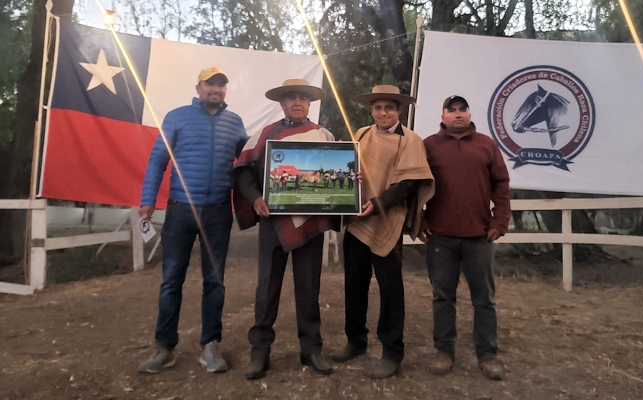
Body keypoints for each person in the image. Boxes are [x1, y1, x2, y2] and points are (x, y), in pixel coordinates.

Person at [137, 67, 248, 374]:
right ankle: (164, 347)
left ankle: (211, 346)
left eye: (221, 84)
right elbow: (158, 158)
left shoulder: (235, 123)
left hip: (217, 212)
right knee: (172, 280)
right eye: (210, 83)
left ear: (225, 90)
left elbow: (250, 162)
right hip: (180, 211)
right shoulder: (176, 117)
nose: (216, 88)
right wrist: (148, 200)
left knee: (215, 281)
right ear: (198, 87)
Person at [232, 79, 339, 380]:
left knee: (309, 289)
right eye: (291, 97)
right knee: (267, 289)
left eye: (302, 97)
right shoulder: (266, 134)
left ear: (309, 103)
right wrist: (254, 199)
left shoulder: (325, 135)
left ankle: (311, 350)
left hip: (312, 223)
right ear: (281, 103)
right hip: (273, 224)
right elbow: (242, 172)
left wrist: (349, 182)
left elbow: (337, 172)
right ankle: (259, 352)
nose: (297, 102)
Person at [332, 85, 435, 379]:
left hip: (387, 222)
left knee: (391, 289)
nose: (383, 112)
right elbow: (347, 169)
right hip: (356, 222)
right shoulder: (361, 134)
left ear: (399, 110)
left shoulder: (410, 140)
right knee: (354, 284)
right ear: (372, 110)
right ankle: (356, 341)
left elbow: (408, 184)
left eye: (389, 107)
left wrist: (378, 205)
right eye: (378, 107)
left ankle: (392, 352)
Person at [418, 95, 511, 380]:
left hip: (479, 237)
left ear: (469, 114)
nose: (457, 114)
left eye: (462, 110)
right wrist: (418, 218)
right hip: (440, 237)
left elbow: (501, 183)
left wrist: (501, 220)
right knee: (442, 297)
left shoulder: (486, 144)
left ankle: (488, 355)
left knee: (484, 299)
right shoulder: (428, 146)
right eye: (452, 110)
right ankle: (444, 351)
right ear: (443, 116)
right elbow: (415, 183)